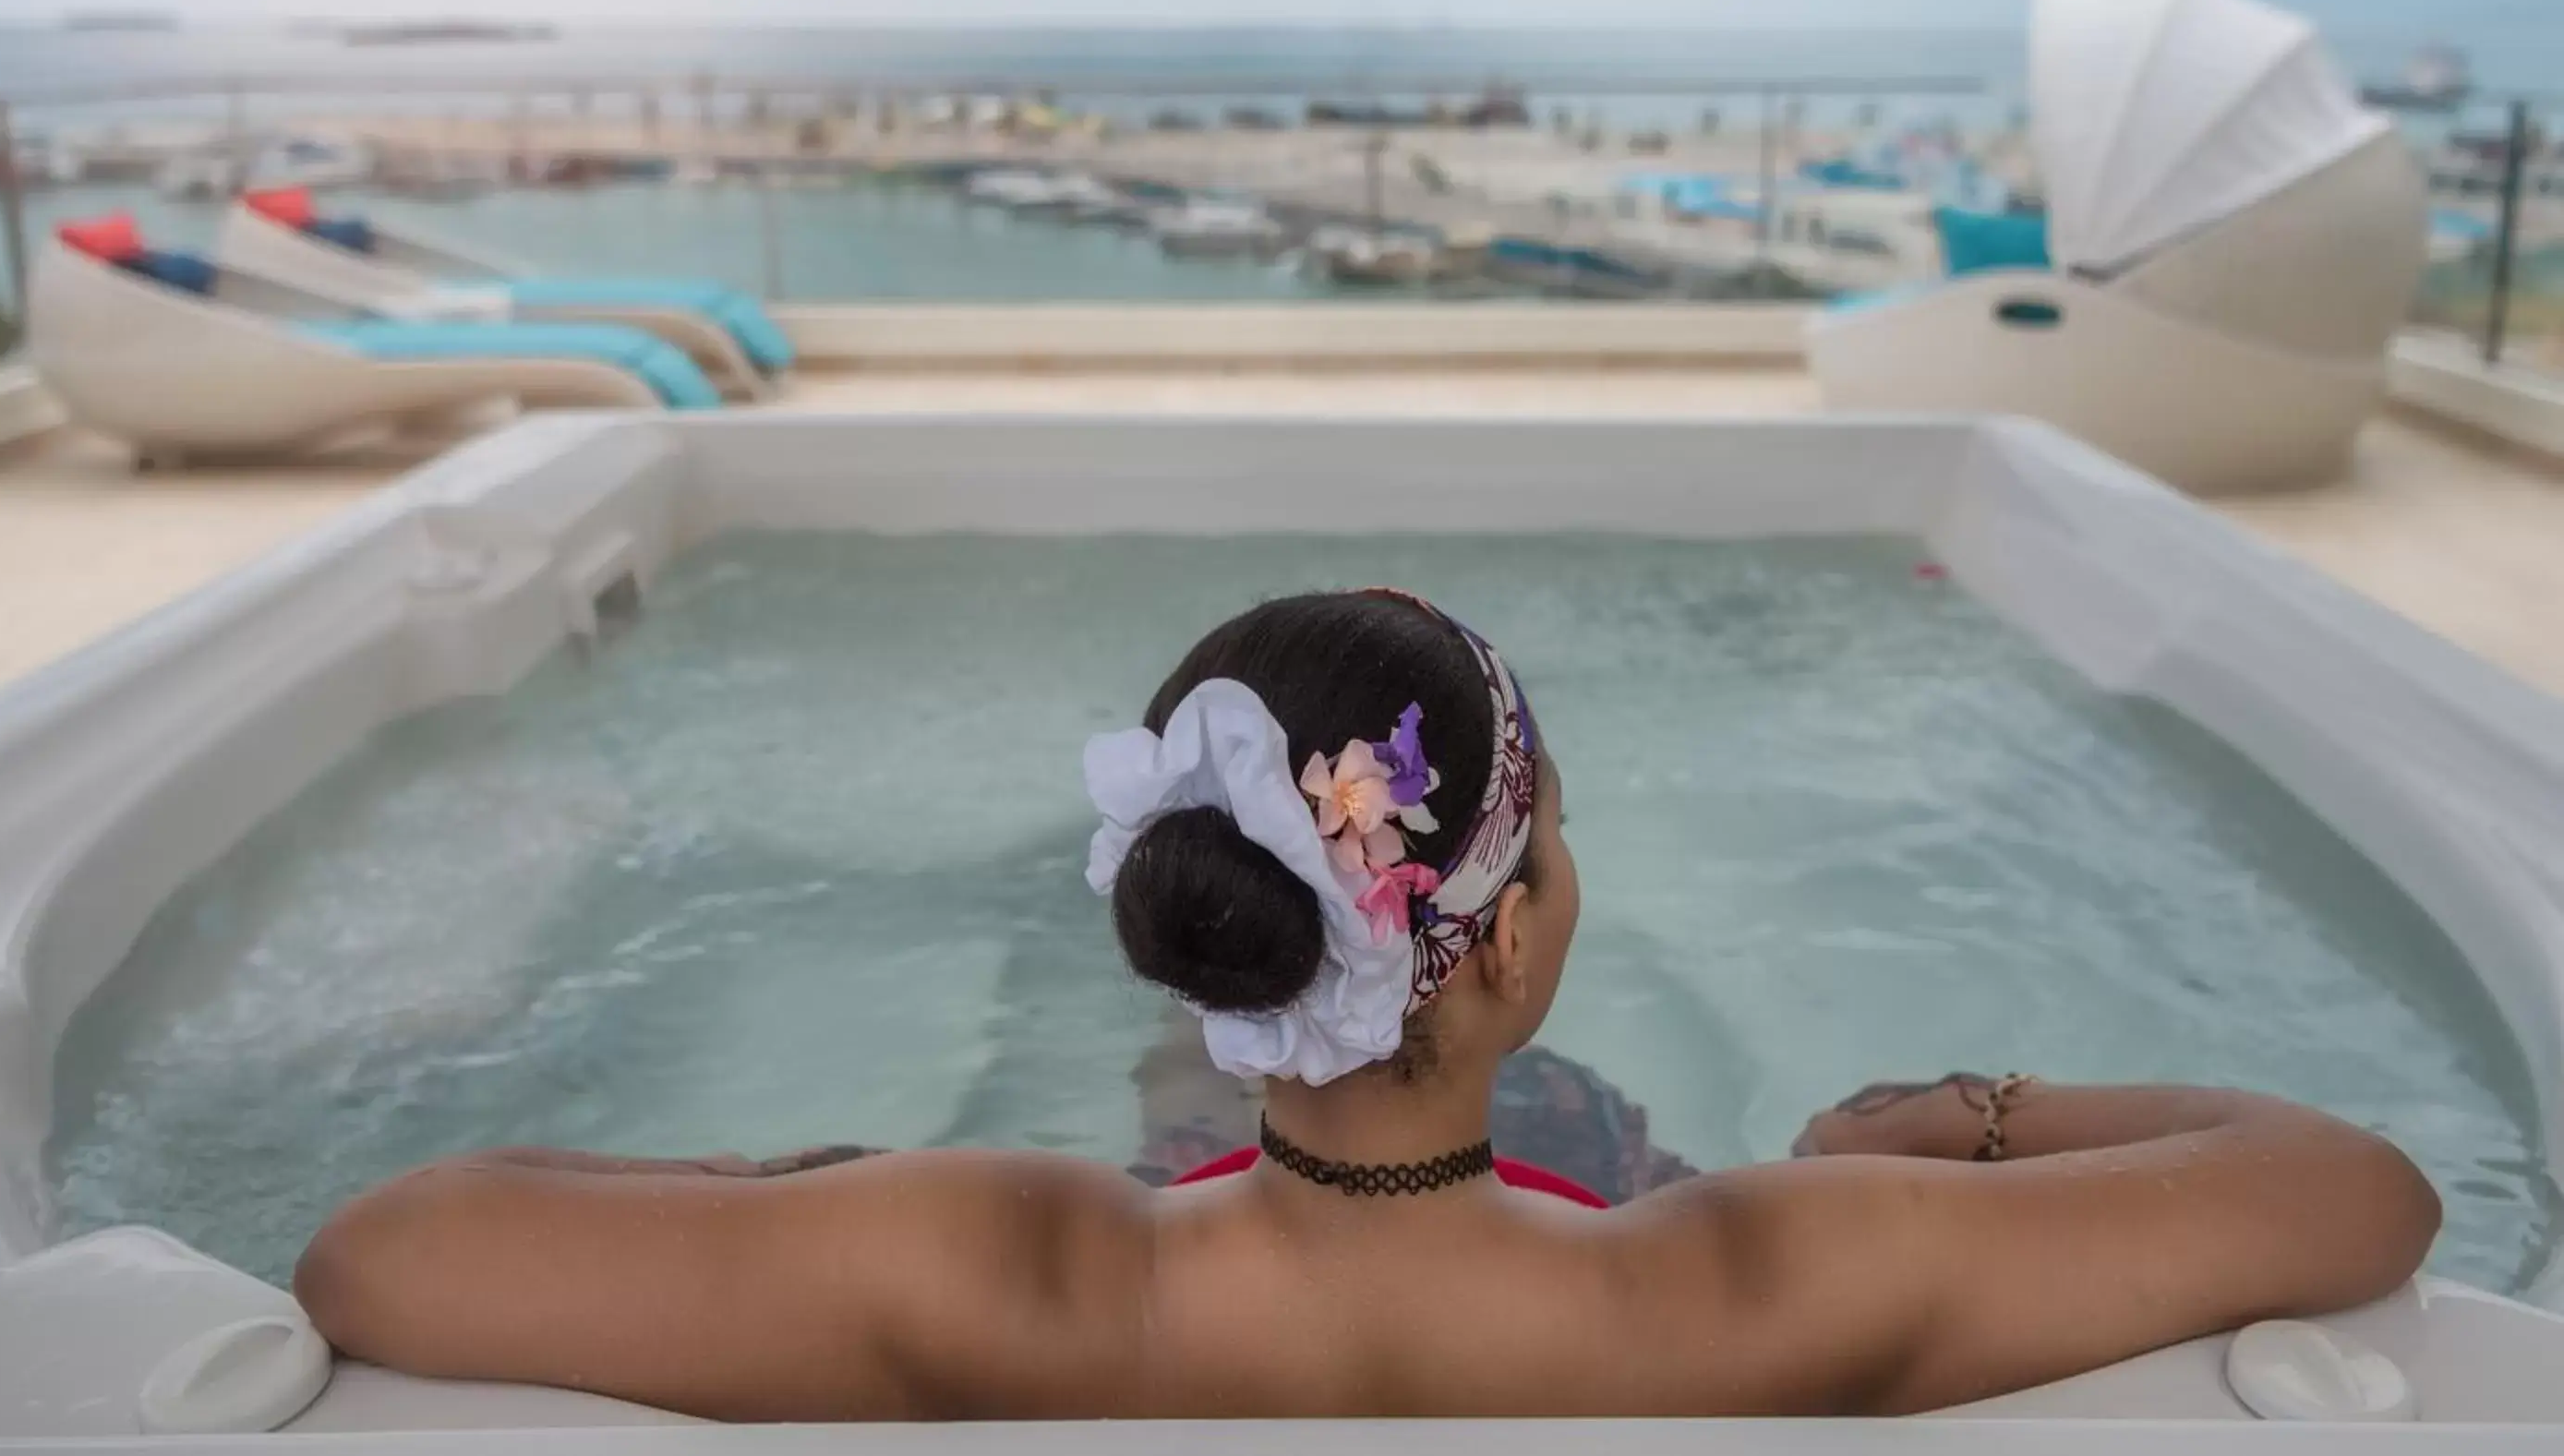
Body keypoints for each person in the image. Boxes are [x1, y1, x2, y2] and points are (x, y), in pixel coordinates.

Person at [295, 589, 2441, 1420]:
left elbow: (379, 1247)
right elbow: (2352, 1189)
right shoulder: (1771, 1269)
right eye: (1560, 834)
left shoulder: (984, 1258)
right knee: (1590, 1130)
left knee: (1173, 1126)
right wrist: (1953, 1121)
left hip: (1173, 1249)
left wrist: (798, 1184)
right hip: (1575, 1234)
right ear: (1498, 943)